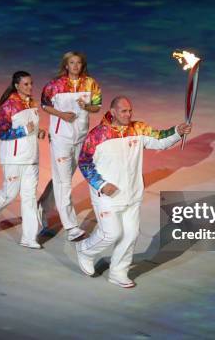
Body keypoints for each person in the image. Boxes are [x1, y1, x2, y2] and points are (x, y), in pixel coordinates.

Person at [75, 96, 192, 288]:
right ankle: (85, 251)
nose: (128, 115)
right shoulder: (97, 135)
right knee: (111, 233)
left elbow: (159, 140)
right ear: (112, 112)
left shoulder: (138, 128)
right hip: (106, 195)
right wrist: (101, 184)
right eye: (123, 111)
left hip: (132, 193)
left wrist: (177, 132)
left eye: (130, 111)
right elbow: (84, 162)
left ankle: (118, 272)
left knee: (130, 234)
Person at [41, 51, 102, 241]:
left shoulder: (90, 83)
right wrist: (61, 115)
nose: (75, 66)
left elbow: (97, 106)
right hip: (61, 138)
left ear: (82, 65)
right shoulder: (55, 84)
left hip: (80, 137)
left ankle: (42, 206)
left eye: (78, 63)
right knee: (64, 181)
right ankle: (71, 226)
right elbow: (44, 105)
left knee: (62, 177)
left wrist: (86, 107)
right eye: (71, 63)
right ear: (66, 65)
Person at [0, 71, 45, 249]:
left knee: (30, 197)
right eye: (26, 84)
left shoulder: (32, 103)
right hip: (13, 158)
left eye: (31, 83)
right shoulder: (9, 105)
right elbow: (2, 133)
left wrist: (37, 132)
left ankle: (29, 237)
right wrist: (24, 131)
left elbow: (32, 127)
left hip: (32, 158)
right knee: (10, 194)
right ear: (17, 85)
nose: (30, 87)